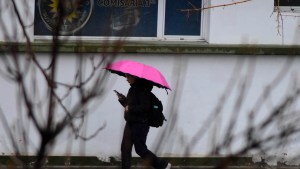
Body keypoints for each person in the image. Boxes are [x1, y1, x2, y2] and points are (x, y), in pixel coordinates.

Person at [116, 74, 171, 169]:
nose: (126, 79)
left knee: (140, 149)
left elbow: (144, 107)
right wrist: (123, 101)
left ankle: (163, 165)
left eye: (128, 77)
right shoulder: (132, 89)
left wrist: (130, 108)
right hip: (130, 122)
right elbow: (130, 106)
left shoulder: (143, 90)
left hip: (140, 124)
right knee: (125, 148)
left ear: (134, 77)